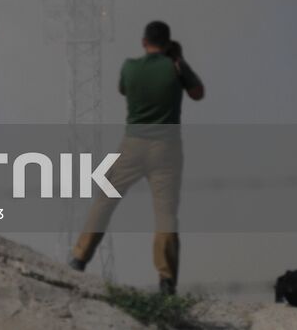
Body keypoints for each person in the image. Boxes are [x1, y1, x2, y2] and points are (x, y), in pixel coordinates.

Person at [70, 20, 205, 295]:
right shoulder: (175, 67)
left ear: (144, 42)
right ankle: (166, 280)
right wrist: (179, 61)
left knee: (105, 199)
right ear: (167, 44)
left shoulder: (129, 67)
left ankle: (79, 258)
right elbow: (198, 93)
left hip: (132, 144)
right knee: (165, 214)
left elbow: (123, 89)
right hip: (166, 148)